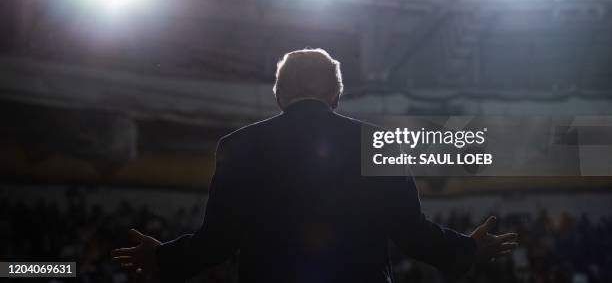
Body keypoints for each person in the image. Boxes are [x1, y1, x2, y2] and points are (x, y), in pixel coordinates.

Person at [112, 48, 518, 282]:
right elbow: (413, 234)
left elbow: (217, 242)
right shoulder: (378, 144)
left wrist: (161, 258)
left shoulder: (239, 146)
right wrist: (468, 249)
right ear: (337, 95)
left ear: (278, 96)